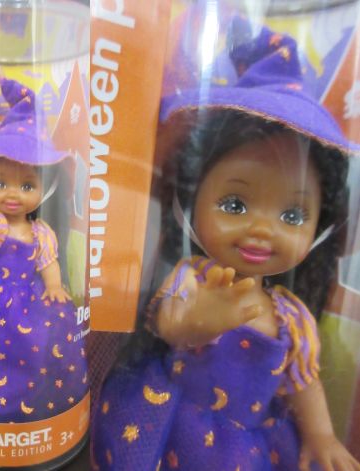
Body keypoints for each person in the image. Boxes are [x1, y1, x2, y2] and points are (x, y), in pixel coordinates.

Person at [91, 17, 360, 471]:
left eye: (293, 216)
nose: (262, 230)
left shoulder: (291, 317)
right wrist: (195, 322)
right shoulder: (192, 278)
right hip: (172, 420)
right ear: (193, 198)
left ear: (320, 226)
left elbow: (302, 383)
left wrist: (321, 435)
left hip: (246, 441)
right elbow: (167, 322)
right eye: (234, 205)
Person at [0, 79, 88, 423]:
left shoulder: (40, 231)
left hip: (26, 298)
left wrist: (54, 285)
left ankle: (27, 396)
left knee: (40, 339)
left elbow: (48, 262)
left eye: (26, 185)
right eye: (1, 183)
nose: (13, 194)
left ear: (45, 187)